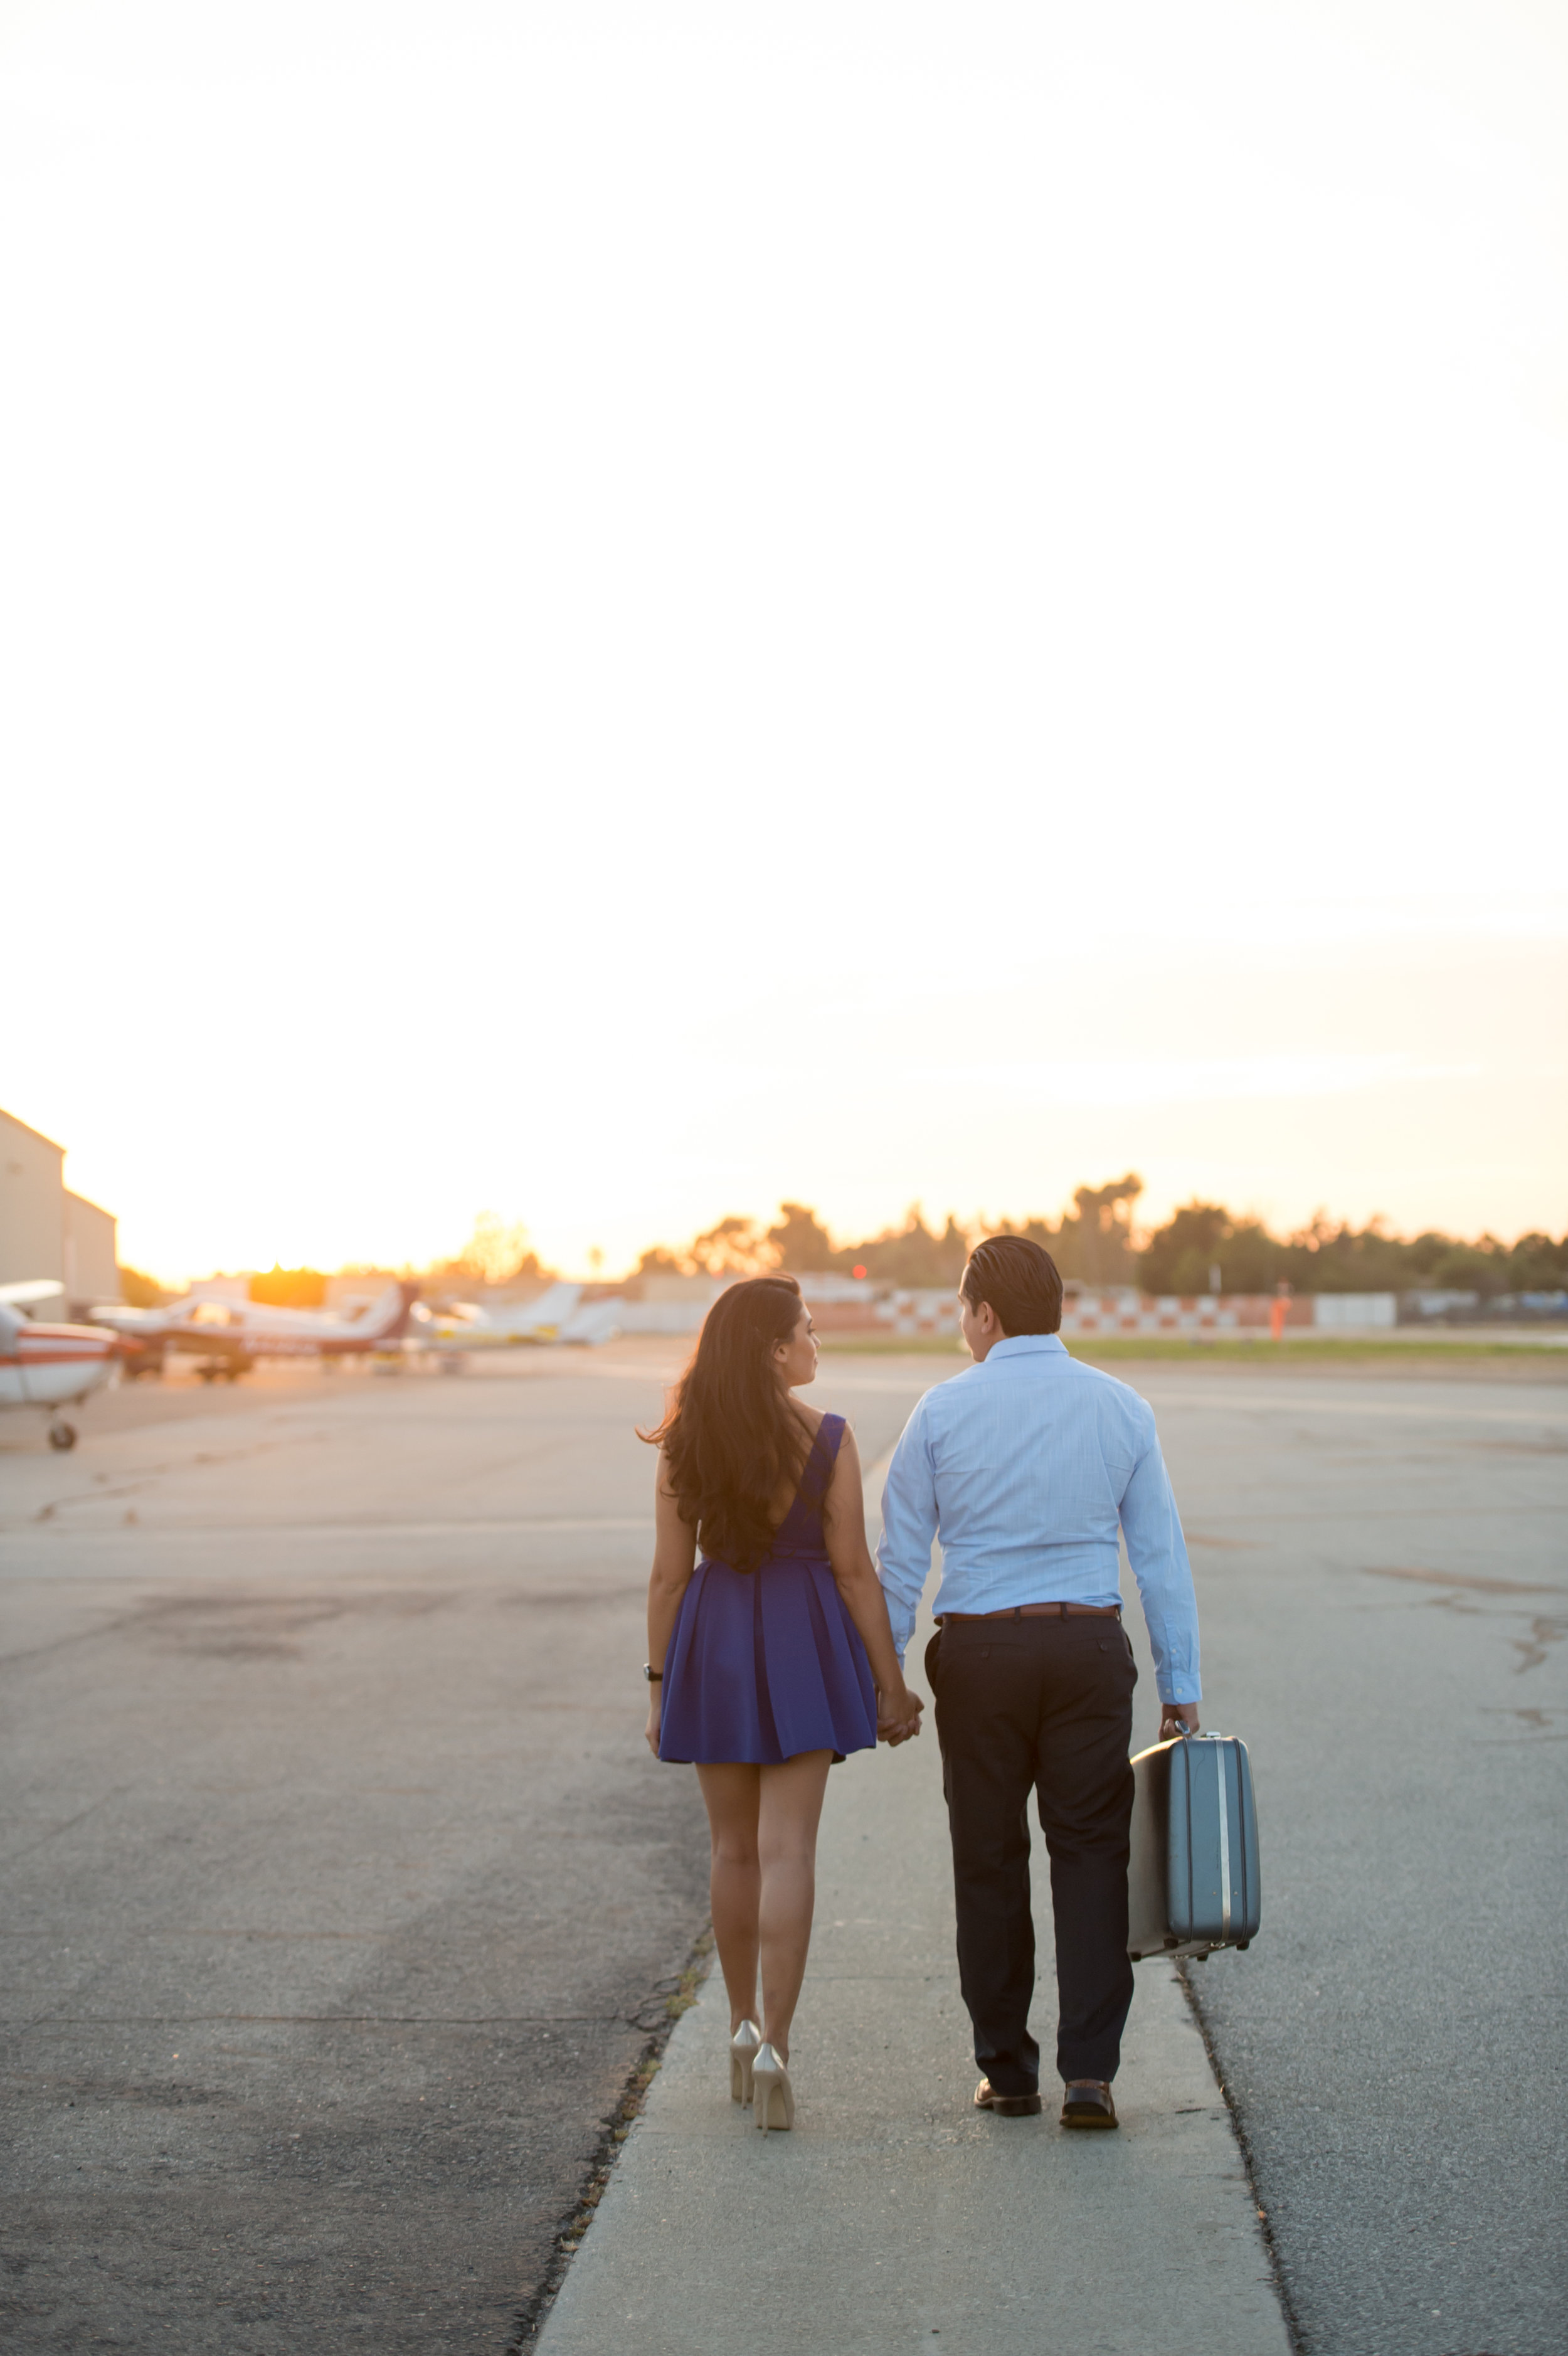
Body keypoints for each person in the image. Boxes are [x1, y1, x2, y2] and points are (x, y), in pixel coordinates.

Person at [877, 1234, 1201, 2131]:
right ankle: (1091, 2075)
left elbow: (898, 1564)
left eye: (961, 1311)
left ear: (986, 1314)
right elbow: (1161, 1559)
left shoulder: (940, 1411)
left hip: (980, 1656)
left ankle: (1009, 2072)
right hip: (1088, 1652)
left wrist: (886, 1677)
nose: (960, 1326)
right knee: (1093, 1855)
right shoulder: (1121, 1407)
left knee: (988, 1860)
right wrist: (1182, 1681)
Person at [642, 1275, 923, 2131]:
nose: (814, 1345)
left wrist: (660, 1688)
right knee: (789, 1851)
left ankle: (736, 2028)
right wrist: (892, 1685)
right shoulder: (828, 1439)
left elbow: (666, 1577)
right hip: (802, 1641)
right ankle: (779, 2048)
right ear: (773, 1349)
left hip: (716, 1639)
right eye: (805, 1332)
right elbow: (852, 1574)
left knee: (733, 1853)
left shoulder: (685, 1439)